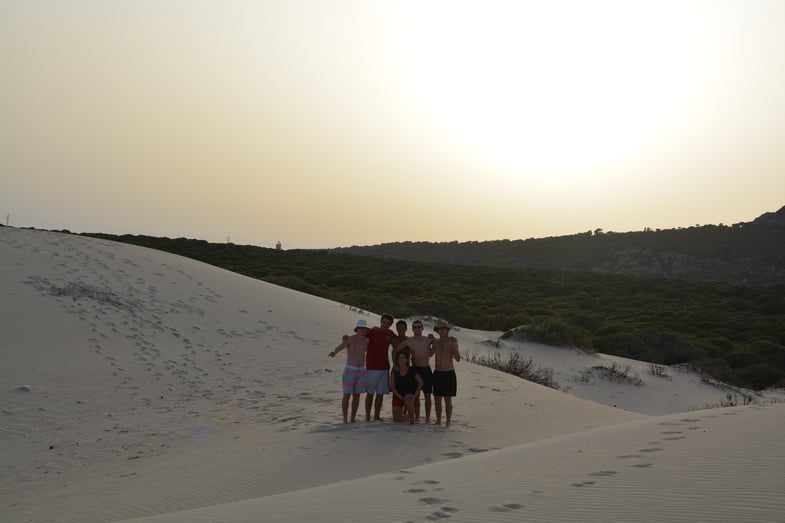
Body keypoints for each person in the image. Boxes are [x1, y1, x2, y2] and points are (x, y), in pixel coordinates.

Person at [328, 319, 370, 423]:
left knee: (357, 395)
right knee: (347, 395)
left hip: (361, 371)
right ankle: (345, 419)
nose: (362, 330)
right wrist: (334, 352)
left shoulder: (367, 340)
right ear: (357, 329)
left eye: (364, 328)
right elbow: (341, 346)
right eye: (360, 328)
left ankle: (352, 418)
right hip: (350, 370)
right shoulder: (350, 339)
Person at [393, 319, 435, 422]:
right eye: (415, 327)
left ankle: (428, 418)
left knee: (427, 396)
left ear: (422, 328)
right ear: (412, 329)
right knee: (416, 396)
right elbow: (395, 351)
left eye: (419, 327)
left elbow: (438, 344)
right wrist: (395, 365)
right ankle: (416, 416)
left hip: (426, 369)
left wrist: (451, 340)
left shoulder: (428, 340)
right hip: (415, 369)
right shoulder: (409, 341)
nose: (417, 328)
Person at [364, 313, 395, 421]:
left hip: (384, 367)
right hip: (371, 367)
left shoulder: (390, 333)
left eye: (388, 323)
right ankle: (368, 416)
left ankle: (377, 416)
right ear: (380, 322)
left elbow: (399, 340)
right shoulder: (372, 331)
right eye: (384, 322)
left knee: (380, 394)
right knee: (370, 393)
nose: (385, 325)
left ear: (390, 325)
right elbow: (360, 335)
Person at [432, 320, 460, 426]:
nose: (442, 330)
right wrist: (429, 340)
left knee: (448, 399)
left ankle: (448, 421)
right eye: (440, 328)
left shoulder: (452, 341)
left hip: (448, 373)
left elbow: (458, 358)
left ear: (447, 330)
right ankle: (438, 420)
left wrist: (454, 349)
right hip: (437, 373)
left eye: (444, 328)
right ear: (438, 330)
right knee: (437, 398)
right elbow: (430, 354)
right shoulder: (436, 342)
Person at [390, 351, 423, 424]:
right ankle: (405, 417)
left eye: (402, 358)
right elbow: (393, 387)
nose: (400, 359)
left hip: (409, 395)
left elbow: (421, 382)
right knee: (396, 420)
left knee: (408, 400)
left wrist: (414, 395)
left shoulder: (411, 370)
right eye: (399, 358)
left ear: (407, 360)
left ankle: (412, 421)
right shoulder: (394, 371)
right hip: (398, 395)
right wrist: (400, 397)